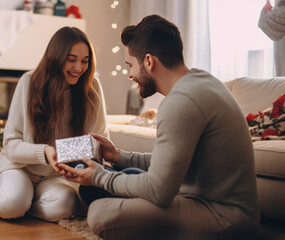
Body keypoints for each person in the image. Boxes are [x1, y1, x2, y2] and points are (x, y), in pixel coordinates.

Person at [58, 15, 260, 239]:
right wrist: (117, 155)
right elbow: (170, 162)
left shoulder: (180, 102)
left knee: (99, 214)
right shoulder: (202, 81)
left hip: (225, 219)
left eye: (130, 65)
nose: (130, 74)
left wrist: (99, 177)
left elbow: (158, 191)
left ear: (149, 61)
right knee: (124, 179)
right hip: (211, 202)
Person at [0, 26, 109, 222]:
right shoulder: (28, 82)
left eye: (85, 61)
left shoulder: (92, 88)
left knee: (64, 206)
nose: (79, 68)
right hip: (20, 168)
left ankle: (24, 204)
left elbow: (101, 141)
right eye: (72, 60)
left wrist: (62, 153)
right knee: (9, 205)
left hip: (55, 176)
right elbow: (10, 145)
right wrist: (45, 152)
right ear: (56, 57)